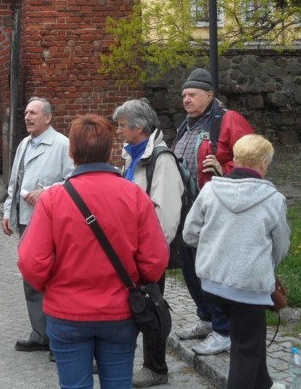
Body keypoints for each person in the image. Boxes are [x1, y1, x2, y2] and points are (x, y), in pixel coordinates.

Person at [18, 114, 169, 389]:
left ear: (72, 152)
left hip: (67, 311)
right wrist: (135, 281)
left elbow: (30, 261)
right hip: (120, 311)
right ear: (110, 149)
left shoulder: (53, 199)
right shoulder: (134, 195)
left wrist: (52, 285)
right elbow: (155, 259)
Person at [183, 134, 290, 389]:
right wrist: (264, 265)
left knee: (252, 338)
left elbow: (189, 233)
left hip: (212, 282)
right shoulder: (274, 200)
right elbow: (281, 247)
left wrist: (216, 248)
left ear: (235, 159)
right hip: (249, 286)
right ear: (263, 163)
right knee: (246, 348)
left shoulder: (210, 190)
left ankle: (264, 383)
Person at [172, 68, 254, 356]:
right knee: (190, 268)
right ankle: (206, 319)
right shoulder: (187, 125)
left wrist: (225, 171)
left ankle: (223, 331)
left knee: (209, 269)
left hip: (217, 207)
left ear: (210, 95)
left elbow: (254, 160)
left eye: (192, 94)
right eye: (183, 95)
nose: (187, 100)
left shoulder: (228, 120)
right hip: (189, 207)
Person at [113, 99, 183, 387]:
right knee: (132, 307)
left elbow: (165, 215)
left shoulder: (161, 159)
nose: (118, 132)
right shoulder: (133, 155)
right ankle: (118, 356)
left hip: (148, 253)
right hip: (131, 249)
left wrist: (152, 256)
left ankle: (156, 367)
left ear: (139, 127)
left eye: (122, 126)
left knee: (152, 310)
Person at [2, 97, 74, 353]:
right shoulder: (24, 143)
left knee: (53, 280)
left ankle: (59, 339)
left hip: (51, 224)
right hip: (25, 221)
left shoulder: (62, 145)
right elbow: (15, 181)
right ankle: (40, 333)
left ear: (48, 117)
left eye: (33, 113)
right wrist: (8, 211)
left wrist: (47, 192)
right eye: (26, 113)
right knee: (31, 277)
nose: (28, 117)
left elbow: (74, 182)